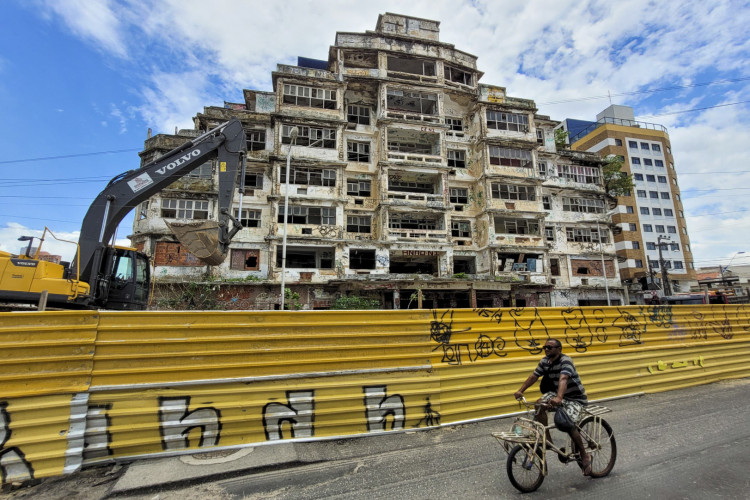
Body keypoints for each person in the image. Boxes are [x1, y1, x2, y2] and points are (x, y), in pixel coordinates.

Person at [513, 338, 592, 476]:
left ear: (559, 349)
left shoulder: (566, 361)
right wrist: (521, 390)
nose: (547, 349)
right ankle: (547, 440)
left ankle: (584, 455)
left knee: (565, 422)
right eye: (545, 347)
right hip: (557, 395)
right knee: (539, 405)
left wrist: (559, 398)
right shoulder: (545, 361)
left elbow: (563, 379)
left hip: (574, 398)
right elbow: (534, 376)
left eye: (550, 347)